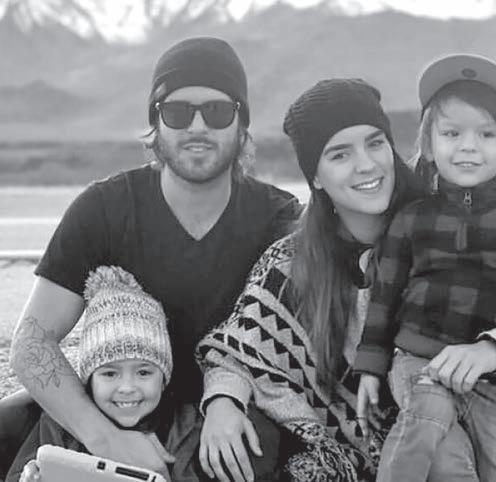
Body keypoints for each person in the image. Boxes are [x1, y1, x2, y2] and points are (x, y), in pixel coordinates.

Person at [196, 78, 496, 481]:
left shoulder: (448, 225)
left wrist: (491, 351)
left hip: (467, 419)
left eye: (375, 143)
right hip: (352, 448)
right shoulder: (291, 261)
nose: (366, 164)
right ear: (315, 177)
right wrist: (224, 401)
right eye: (340, 154)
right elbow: (237, 350)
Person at [3, 36, 302, 481]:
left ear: (242, 123)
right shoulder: (104, 209)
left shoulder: (279, 219)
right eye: (177, 112)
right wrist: (106, 441)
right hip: (115, 406)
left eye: (217, 111)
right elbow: (32, 343)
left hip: (227, 419)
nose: (197, 127)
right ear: (155, 122)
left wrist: (228, 399)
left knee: (251, 450)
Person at [355, 54, 496, 482]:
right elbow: (384, 299)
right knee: (433, 430)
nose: (468, 146)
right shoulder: (412, 218)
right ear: (429, 145)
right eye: (452, 133)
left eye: (486, 134)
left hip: (495, 379)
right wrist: (370, 368)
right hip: (421, 362)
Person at [8, 265, 199, 482]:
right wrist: (30, 476)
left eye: (144, 372)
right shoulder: (59, 424)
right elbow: (20, 473)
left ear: (164, 379)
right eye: (110, 374)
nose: (127, 387)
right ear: (89, 380)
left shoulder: (185, 427)